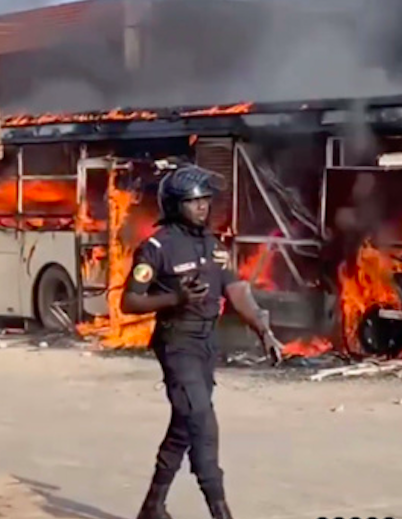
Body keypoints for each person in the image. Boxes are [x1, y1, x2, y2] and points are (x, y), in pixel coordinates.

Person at [121, 164, 284, 519]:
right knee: (202, 423)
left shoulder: (214, 246)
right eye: (194, 201)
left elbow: (236, 290)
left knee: (185, 424)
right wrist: (175, 299)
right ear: (174, 204)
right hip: (176, 342)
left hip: (206, 343)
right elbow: (129, 302)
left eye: (206, 200)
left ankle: (152, 507)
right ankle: (220, 510)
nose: (203, 207)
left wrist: (264, 330)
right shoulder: (156, 248)